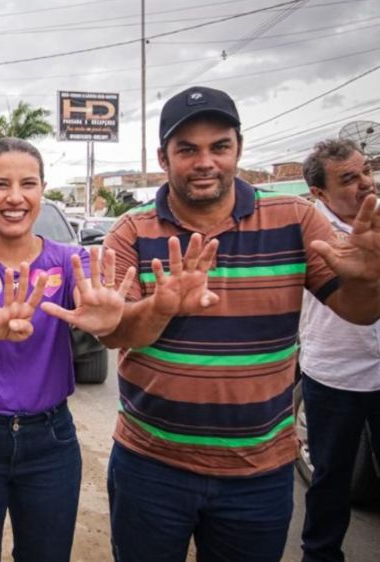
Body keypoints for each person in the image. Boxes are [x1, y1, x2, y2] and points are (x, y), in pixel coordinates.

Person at [99, 86, 380, 562]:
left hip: (258, 475)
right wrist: (163, 306)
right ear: (163, 159)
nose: (205, 161)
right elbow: (116, 332)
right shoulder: (131, 230)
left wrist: (371, 279)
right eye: (187, 149)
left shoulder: (296, 218)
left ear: (238, 150)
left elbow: (358, 311)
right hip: (150, 466)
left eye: (219, 147)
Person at [0, 138, 133, 562]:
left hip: (51, 441)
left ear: (43, 190)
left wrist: (110, 322)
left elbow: (102, 317)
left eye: (29, 183)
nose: (15, 197)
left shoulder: (71, 259)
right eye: (1, 184)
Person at [298, 139, 380, 562]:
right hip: (333, 376)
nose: (364, 183)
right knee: (331, 478)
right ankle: (320, 555)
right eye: (348, 178)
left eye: (365, 171)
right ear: (319, 193)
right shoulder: (310, 231)